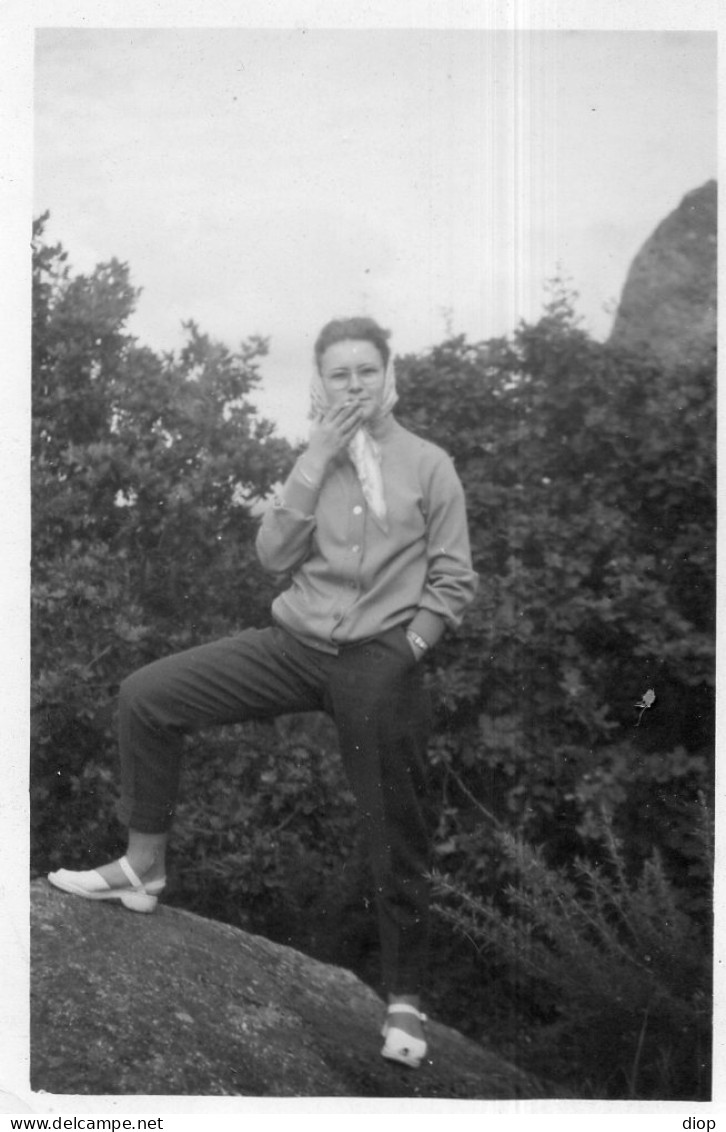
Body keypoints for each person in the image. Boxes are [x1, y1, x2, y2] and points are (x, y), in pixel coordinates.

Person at [48, 316, 478, 1070]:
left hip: (381, 658)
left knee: (394, 824)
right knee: (146, 695)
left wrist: (408, 650)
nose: (354, 386)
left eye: (366, 372)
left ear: (389, 376)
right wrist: (313, 460)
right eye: (339, 374)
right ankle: (143, 867)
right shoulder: (313, 460)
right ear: (320, 383)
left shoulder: (430, 465)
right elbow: (272, 554)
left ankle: (406, 995)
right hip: (294, 645)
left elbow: (453, 581)